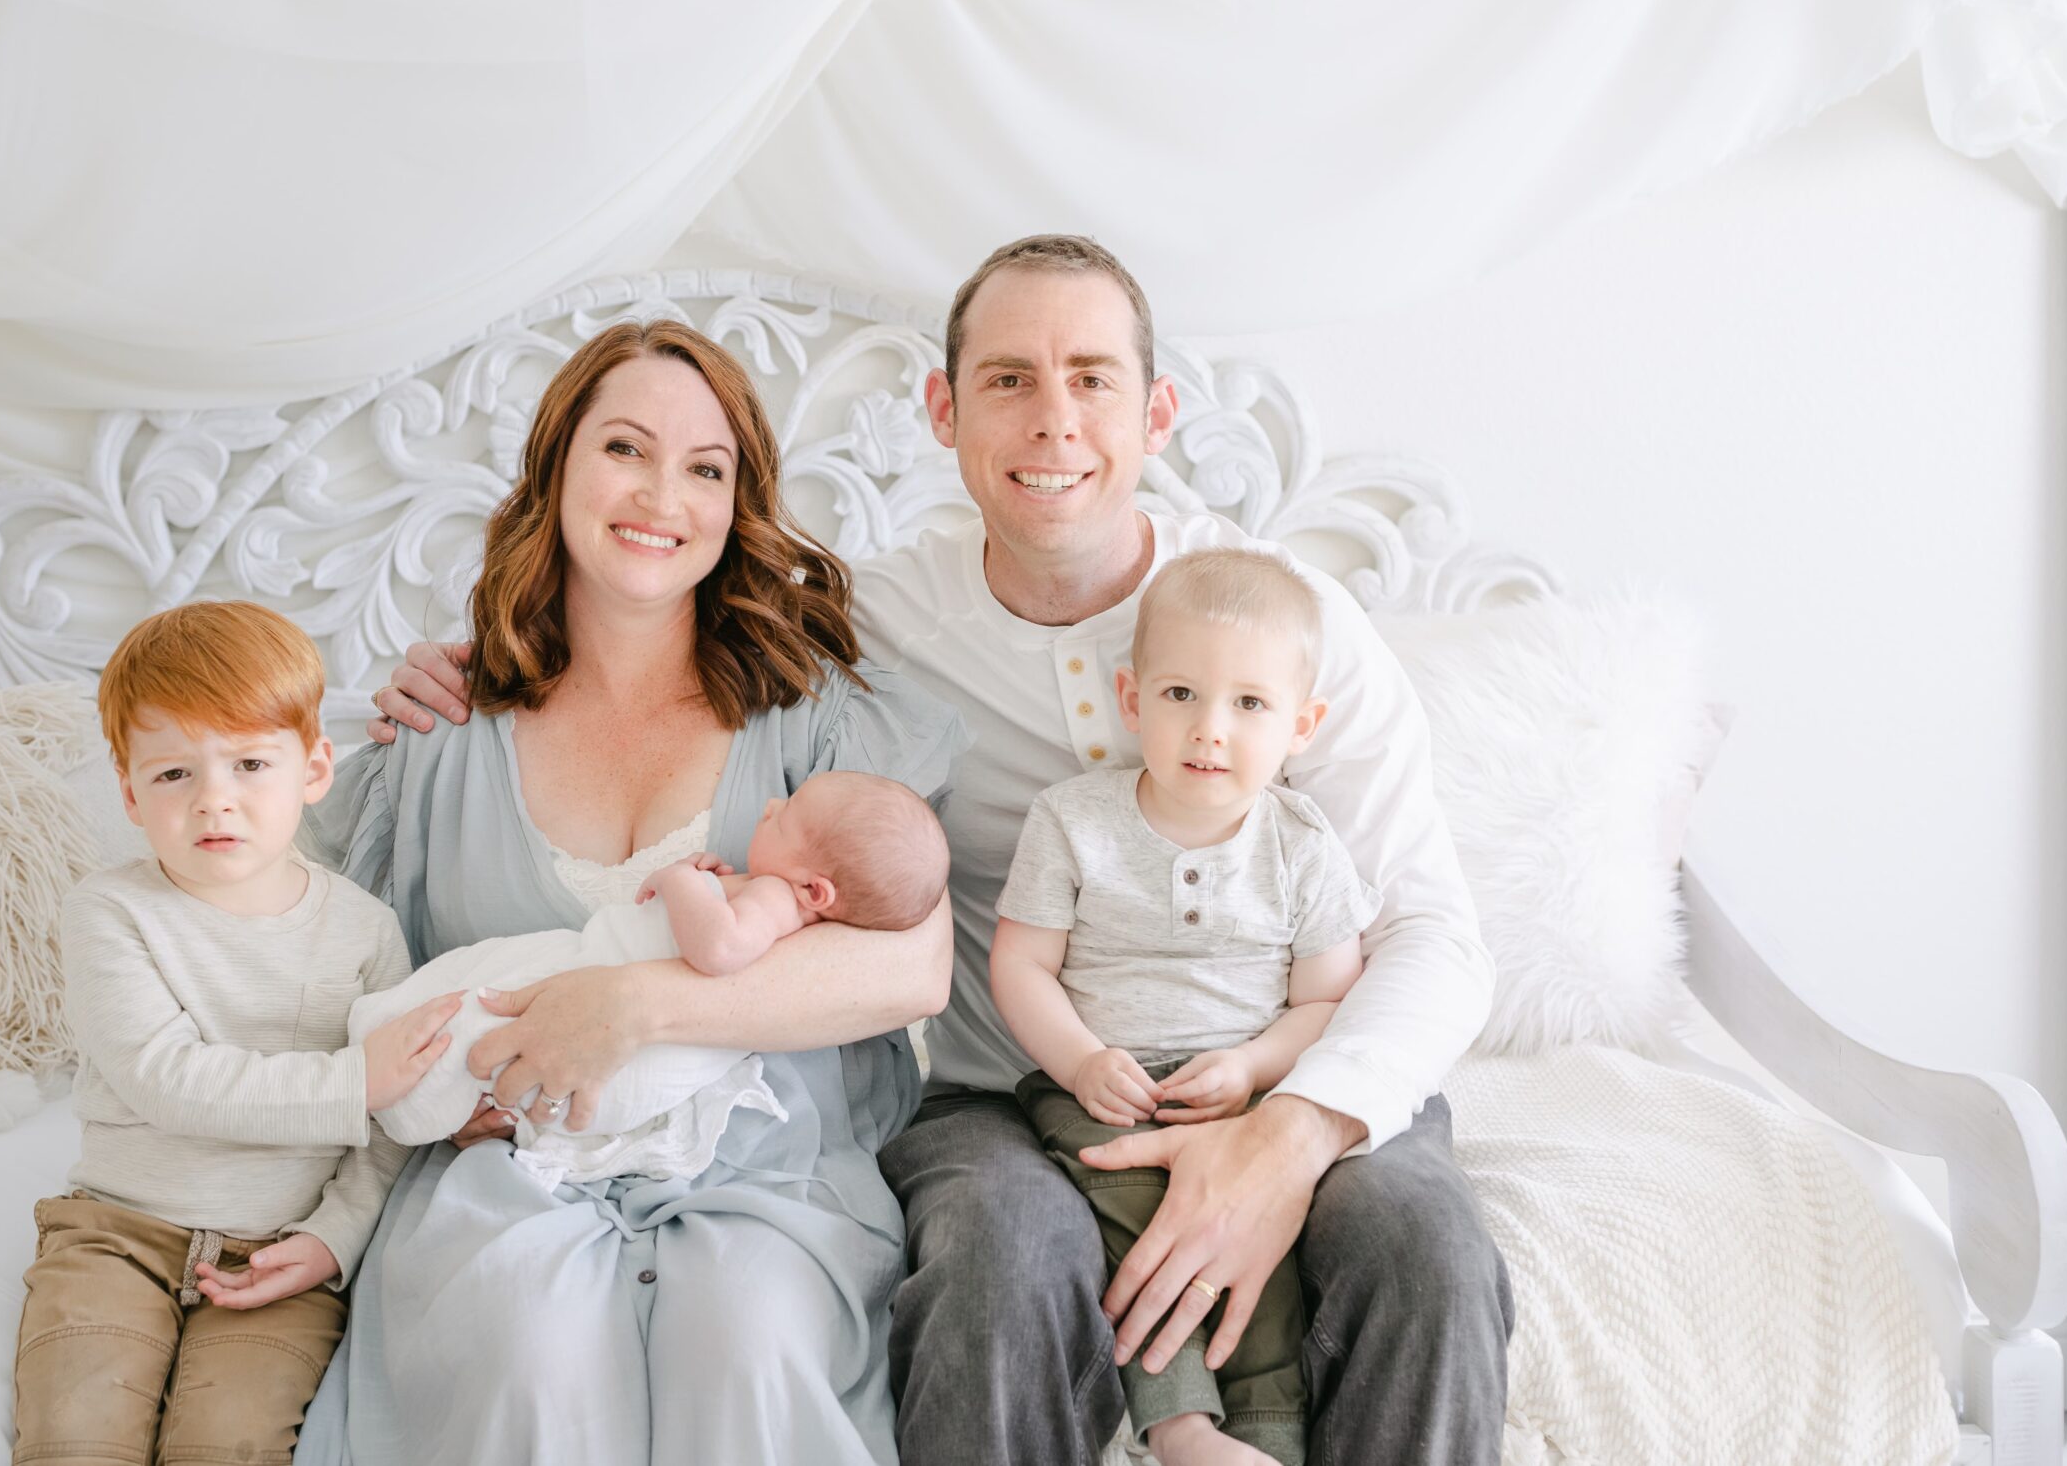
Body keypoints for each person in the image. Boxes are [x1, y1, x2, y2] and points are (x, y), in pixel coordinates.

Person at [374, 234, 1513, 1466]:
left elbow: (1436, 933)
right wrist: (464, 668)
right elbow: (664, 601)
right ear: (943, 409)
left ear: (1158, 412)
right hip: (1000, 1098)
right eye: (1009, 380)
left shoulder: (1283, 623)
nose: (1053, 421)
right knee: (996, 1261)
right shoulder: (866, 630)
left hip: (1292, 1072)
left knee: (1426, 1246)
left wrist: (1294, 1134)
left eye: (1092, 378)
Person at [294, 320, 967, 1466]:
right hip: (505, 1169)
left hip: (767, 1166)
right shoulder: (441, 735)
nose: (663, 494)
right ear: (556, 465)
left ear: (737, 501)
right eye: (624, 448)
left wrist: (633, 1008)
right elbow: (324, 976)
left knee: (748, 1338)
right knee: (528, 1346)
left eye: (706, 468)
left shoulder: (817, 717)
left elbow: (911, 966)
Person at [13, 600, 450, 1466]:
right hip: (116, 1233)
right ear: (130, 790)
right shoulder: (110, 911)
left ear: (315, 768)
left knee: (232, 1443)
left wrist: (334, 1236)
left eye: (251, 762)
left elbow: (393, 1127)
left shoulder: (365, 931)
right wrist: (354, 1081)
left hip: (279, 1255)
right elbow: (165, 1076)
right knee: (75, 1435)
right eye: (175, 774)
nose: (216, 799)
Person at [993, 550, 1376, 1466]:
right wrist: (1081, 1059)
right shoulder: (1072, 820)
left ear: (1300, 725)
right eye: (1179, 694)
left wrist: (1252, 1068)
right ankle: (1178, 1426)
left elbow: (1327, 998)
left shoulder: (1303, 848)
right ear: (1131, 699)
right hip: (1104, 1086)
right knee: (1136, 1209)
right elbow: (1021, 966)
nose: (1209, 729)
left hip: (1242, 1096)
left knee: (1260, 1238)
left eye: (1249, 704)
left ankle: (1269, 1434)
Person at [348, 771, 949, 1191]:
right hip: (629, 1036)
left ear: (816, 890)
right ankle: (407, 1087)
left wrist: (682, 880)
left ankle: (396, 1090)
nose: (770, 807)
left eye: (786, 818)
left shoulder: (774, 896)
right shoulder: (778, 900)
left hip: (639, 1038)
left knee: (487, 1008)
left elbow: (717, 949)